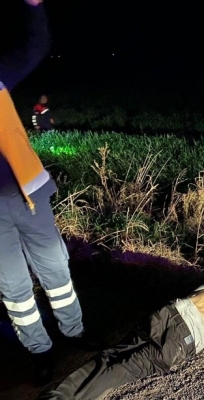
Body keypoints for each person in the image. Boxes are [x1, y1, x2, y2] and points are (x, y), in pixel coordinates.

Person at [1, 0, 99, 385]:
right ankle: (39, 350)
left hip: (28, 196)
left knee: (56, 269)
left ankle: (74, 333)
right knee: (13, 287)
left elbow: (35, 46)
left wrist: (34, 6)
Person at [38, 276, 204, 400]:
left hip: (171, 311)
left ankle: (57, 394)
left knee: (110, 356)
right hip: (185, 337)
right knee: (123, 370)